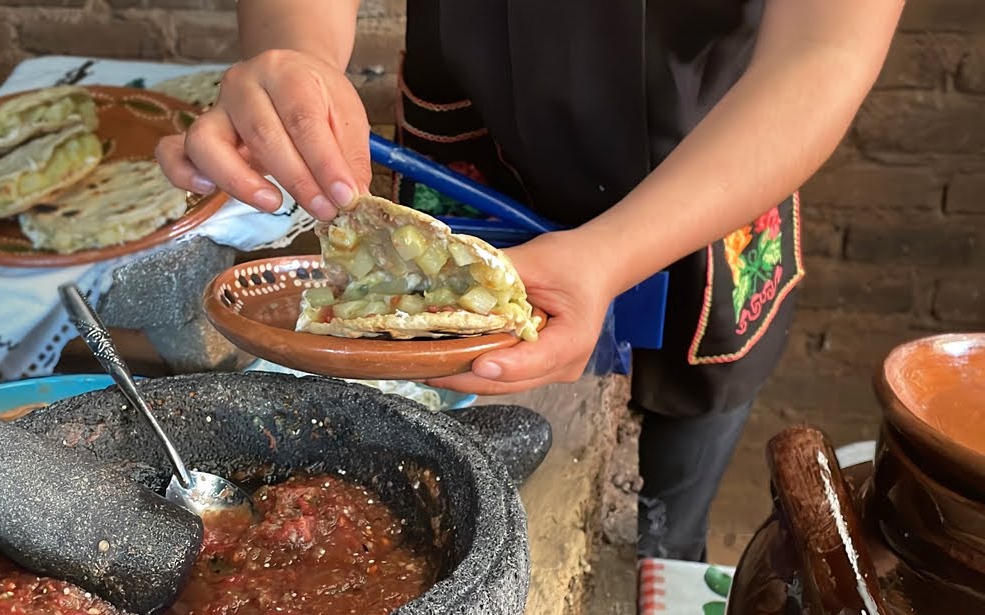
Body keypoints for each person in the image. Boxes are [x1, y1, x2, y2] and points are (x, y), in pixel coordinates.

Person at [156, 0, 904, 560]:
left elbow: (826, 48)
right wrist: (297, 58)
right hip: (474, 160)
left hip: (719, 171)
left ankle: (662, 567)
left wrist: (611, 254)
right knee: (446, 467)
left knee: (669, 506)